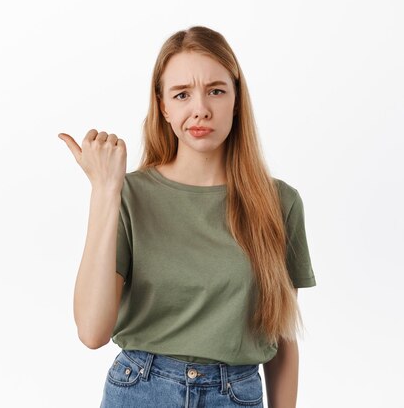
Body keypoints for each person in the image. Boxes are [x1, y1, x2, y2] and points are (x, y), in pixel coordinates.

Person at [58, 25, 316, 408]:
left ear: (236, 99)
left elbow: (282, 338)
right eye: (182, 94)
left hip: (236, 395)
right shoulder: (129, 195)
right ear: (163, 106)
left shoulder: (279, 203)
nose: (201, 109)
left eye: (216, 90)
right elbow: (92, 332)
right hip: (141, 389)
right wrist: (105, 191)